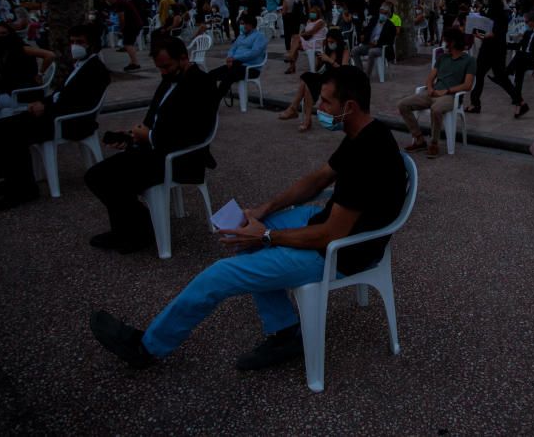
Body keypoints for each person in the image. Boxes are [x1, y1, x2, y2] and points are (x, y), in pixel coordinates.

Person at [89, 66, 407, 371]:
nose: (318, 106)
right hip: (327, 226)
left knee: (220, 274)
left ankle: (147, 348)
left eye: (325, 101)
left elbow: (329, 236)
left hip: (341, 252)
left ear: (348, 106)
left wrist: (266, 236)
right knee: (245, 231)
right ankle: (286, 333)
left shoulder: (370, 155)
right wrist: (264, 211)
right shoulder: (364, 131)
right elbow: (318, 179)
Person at [84, 36, 218, 254]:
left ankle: (138, 231)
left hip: (181, 158)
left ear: (184, 58)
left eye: (166, 66)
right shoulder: (169, 79)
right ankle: (132, 228)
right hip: (155, 151)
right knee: (97, 175)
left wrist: (150, 137)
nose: (163, 72)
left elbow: (195, 133)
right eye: (159, 68)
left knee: (107, 178)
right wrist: (131, 136)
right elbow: (153, 119)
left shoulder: (202, 83)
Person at [0, 25, 111, 210]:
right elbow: (61, 94)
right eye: (73, 41)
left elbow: (78, 103)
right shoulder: (80, 65)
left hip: (69, 122)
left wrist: (46, 108)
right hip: (55, 114)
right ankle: (11, 180)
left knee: (11, 132)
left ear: (92, 44)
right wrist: (42, 103)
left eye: (80, 42)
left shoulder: (95, 69)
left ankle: (24, 189)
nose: (75, 46)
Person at [397, 27, 476, 158]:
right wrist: (429, 87)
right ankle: (419, 139)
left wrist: (447, 90)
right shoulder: (442, 58)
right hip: (433, 93)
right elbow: (430, 78)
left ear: (454, 42)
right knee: (402, 104)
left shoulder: (469, 60)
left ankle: (434, 143)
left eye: (446, 41)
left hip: (450, 96)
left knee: (436, 109)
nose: (444, 44)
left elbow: (467, 85)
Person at [0, 22, 53, 134]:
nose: (0, 36)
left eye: (4, 33)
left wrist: (40, 74)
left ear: (10, 34)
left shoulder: (21, 48)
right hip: (8, 89)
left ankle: (2, 135)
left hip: (23, 92)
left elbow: (50, 55)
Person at [278, 28, 350, 132]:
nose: (330, 43)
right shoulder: (328, 50)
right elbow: (318, 69)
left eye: (332, 42)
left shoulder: (344, 50)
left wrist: (329, 60)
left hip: (336, 79)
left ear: (338, 41)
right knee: (307, 79)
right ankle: (301, 115)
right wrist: (319, 61)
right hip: (325, 76)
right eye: (328, 41)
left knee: (308, 83)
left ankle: (296, 111)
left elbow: (344, 71)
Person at [487, 10, 534, 119]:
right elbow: (519, 46)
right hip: (524, 60)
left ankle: (504, 74)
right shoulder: (528, 33)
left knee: (520, 56)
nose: (526, 23)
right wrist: (503, 44)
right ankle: (519, 106)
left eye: (527, 21)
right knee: (519, 72)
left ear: (533, 21)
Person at [466, 0, 510, 114]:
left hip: (492, 48)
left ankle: (518, 100)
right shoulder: (496, 10)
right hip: (492, 47)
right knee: (482, 74)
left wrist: (478, 34)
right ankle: (475, 103)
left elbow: (492, 33)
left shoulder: (497, 12)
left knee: (496, 76)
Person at [207, 15, 268, 96]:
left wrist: (234, 58)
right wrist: (229, 57)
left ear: (251, 25)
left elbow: (254, 53)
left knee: (227, 78)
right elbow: (233, 48)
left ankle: (215, 99)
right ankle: (211, 96)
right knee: (211, 74)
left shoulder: (259, 36)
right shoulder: (241, 36)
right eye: (242, 24)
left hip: (250, 68)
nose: (242, 26)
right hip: (235, 64)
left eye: (244, 24)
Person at [351, 4, 397, 79]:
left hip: (381, 48)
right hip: (369, 44)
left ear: (388, 14)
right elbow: (366, 30)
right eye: (381, 12)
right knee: (354, 50)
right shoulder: (374, 20)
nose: (382, 15)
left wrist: (377, 43)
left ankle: (366, 76)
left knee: (371, 52)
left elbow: (390, 41)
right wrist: (363, 35)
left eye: (384, 13)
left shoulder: (390, 26)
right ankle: (360, 73)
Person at [283, 5, 328, 75]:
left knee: (296, 40)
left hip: (316, 43)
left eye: (313, 12)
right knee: (295, 42)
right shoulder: (309, 21)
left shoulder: (320, 22)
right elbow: (304, 31)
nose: (311, 14)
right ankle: (292, 63)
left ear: (318, 14)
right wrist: (300, 35)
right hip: (309, 41)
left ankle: (291, 60)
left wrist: (299, 35)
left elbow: (311, 32)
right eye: (311, 12)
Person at [106, 0, 143, 72]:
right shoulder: (121, 2)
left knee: (127, 44)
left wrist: (121, 28)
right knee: (129, 43)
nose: (107, 1)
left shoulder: (119, 3)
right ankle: (133, 61)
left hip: (131, 25)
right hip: (134, 24)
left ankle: (135, 63)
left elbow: (121, 17)